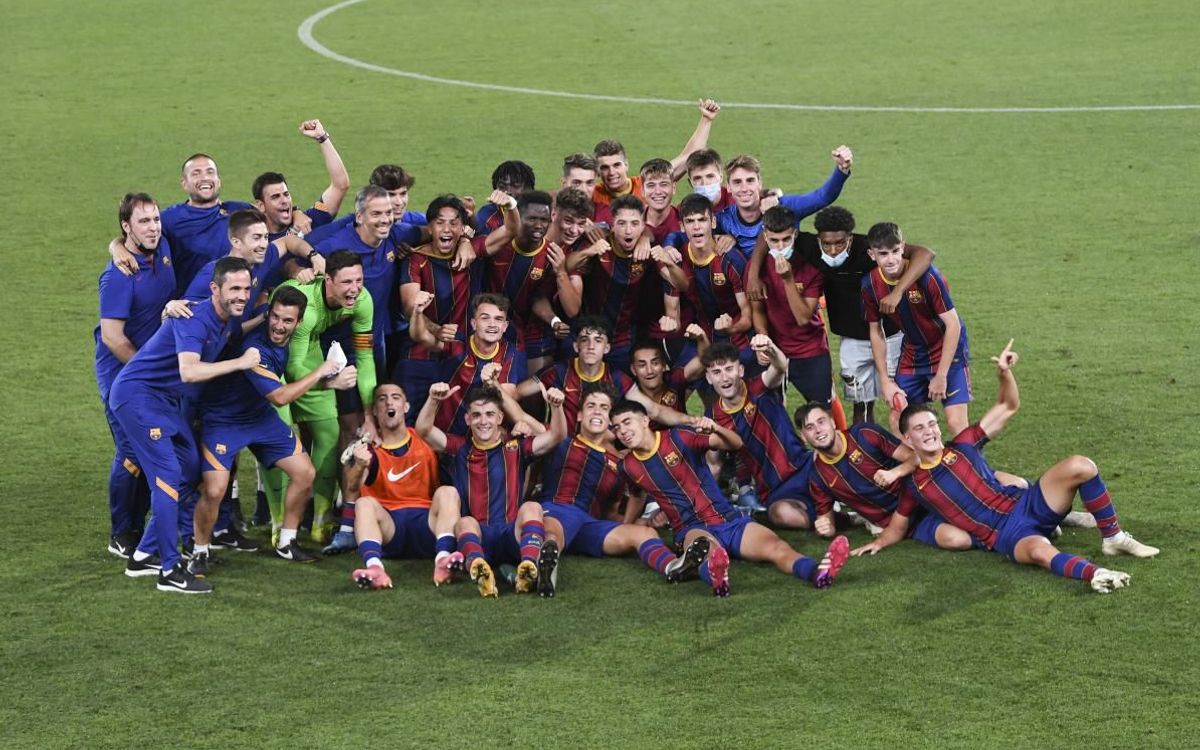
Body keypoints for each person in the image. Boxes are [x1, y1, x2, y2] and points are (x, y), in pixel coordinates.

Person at [854, 340, 1159, 594]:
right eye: (920, 429)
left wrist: (1004, 374)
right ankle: (1096, 573)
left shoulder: (964, 444)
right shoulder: (915, 485)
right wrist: (877, 543)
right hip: (1006, 535)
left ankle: (1113, 538)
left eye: (933, 424)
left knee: (1081, 465)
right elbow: (898, 527)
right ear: (908, 438)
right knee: (1040, 553)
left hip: (1027, 503)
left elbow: (1008, 406)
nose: (931, 431)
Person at [109, 256, 260, 594]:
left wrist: (267, 316)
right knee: (167, 476)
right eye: (234, 288)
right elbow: (189, 372)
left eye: (246, 288)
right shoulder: (195, 319)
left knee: (191, 471)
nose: (242, 295)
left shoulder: (226, 319)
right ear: (214, 289)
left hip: (164, 402)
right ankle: (169, 569)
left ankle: (144, 555)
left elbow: (238, 329)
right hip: (138, 397)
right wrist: (241, 363)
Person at [189, 287, 359, 576]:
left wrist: (330, 384)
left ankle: (287, 542)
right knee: (215, 489)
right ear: (268, 314)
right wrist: (322, 372)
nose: (279, 326)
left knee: (305, 473)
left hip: (259, 417)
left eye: (288, 321)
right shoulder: (255, 348)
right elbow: (280, 397)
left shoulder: (290, 341)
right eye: (275, 318)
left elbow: (289, 385)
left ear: (299, 321)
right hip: (223, 420)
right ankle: (199, 552)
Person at [610, 400, 850, 596]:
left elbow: (735, 443)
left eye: (626, 422)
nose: (622, 431)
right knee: (707, 553)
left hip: (729, 519)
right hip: (692, 528)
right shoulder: (628, 466)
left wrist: (715, 428)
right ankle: (718, 582)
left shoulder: (678, 437)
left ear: (644, 420)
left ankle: (816, 572)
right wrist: (629, 525)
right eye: (617, 427)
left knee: (776, 547)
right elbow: (637, 494)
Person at [538, 383, 711, 589]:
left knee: (644, 534)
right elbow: (531, 428)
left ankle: (673, 566)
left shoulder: (620, 464)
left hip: (586, 527)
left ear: (610, 421)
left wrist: (639, 522)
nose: (597, 411)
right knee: (556, 530)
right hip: (556, 513)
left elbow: (610, 513)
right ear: (579, 416)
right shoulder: (560, 439)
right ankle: (546, 567)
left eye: (604, 407)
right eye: (591, 406)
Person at [416, 384, 568, 598]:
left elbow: (557, 436)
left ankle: (529, 566)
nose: (483, 421)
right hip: (478, 536)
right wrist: (433, 400)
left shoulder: (516, 447)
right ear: (468, 420)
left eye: (489, 414)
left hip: (512, 535)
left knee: (533, 507)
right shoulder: (459, 448)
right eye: (476, 415)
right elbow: (423, 430)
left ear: (499, 418)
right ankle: (479, 566)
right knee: (464, 522)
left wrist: (557, 407)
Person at [275, 251, 378, 543]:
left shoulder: (363, 301)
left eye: (359, 280)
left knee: (331, 433)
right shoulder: (306, 308)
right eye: (346, 282)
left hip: (309, 353)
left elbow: (366, 359)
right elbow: (292, 368)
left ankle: (320, 519)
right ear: (328, 280)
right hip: (276, 360)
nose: (354, 288)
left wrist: (368, 416)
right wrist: (330, 383)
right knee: (282, 439)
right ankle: (277, 522)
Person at [800, 207, 934, 424]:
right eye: (827, 244)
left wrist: (898, 292)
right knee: (861, 405)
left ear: (850, 239)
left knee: (904, 400)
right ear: (818, 240)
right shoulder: (812, 248)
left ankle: (916, 452)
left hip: (891, 335)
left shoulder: (870, 249)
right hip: (852, 340)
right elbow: (770, 234)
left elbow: (925, 254)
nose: (833, 250)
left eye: (840, 243)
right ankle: (866, 452)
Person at [95, 193, 175, 558]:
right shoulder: (118, 275)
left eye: (155, 219)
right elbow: (113, 337)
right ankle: (122, 531)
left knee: (152, 449)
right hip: (123, 375)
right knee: (131, 450)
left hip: (152, 372)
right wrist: (146, 373)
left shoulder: (162, 247)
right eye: (143, 222)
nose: (153, 227)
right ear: (127, 227)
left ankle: (142, 524)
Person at [795, 401, 975, 550]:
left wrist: (894, 473)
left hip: (924, 493)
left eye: (821, 422)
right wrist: (824, 529)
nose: (818, 430)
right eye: (810, 427)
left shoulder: (864, 434)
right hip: (899, 523)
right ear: (803, 436)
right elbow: (826, 521)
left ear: (833, 422)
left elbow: (916, 456)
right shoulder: (817, 475)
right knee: (957, 540)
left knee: (981, 495)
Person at [346, 383, 464, 590]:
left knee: (448, 492)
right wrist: (359, 465)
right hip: (390, 527)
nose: (389, 402)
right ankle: (375, 568)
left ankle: (443, 560)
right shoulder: (369, 450)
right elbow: (353, 488)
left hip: (427, 524)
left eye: (395, 397)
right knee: (364, 503)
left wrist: (434, 399)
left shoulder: (424, 439)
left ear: (406, 406)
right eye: (382, 399)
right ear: (375, 410)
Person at [862, 222, 971, 435]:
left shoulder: (928, 277)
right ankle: (916, 468)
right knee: (898, 419)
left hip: (947, 348)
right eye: (883, 254)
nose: (891, 259)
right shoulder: (870, 285)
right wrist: (885, 380)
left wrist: (941, 375)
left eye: (895, 251)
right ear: (872, 254)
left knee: (956, 423)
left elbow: (953, 324)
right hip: (914, 350)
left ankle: (970, 468)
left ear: (903, 247)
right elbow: (875, 331)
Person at [703, 339, 823, 532]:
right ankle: (834, 515)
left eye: (729, 369)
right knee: (783, 515)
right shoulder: (713, 418)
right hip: (775, 489)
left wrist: (770, 348)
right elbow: (714, 465)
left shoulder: (758, 387)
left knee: (837, 461)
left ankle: (834, 510)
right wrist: (706, 508)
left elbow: (781, 366)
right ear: (708, 378)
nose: (724, 378)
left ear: (741, 370)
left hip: (806, 466)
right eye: (716, 372)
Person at [409, 292, 528, 436]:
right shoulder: (457, 344)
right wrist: (417, 312)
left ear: (505, 326)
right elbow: (420, 336)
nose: (492, 324)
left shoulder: (509, 353)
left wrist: (492, 381)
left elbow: (507, 398)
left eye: (498, 319)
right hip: (443, 433)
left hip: (481, 435)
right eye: (485, 318)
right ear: (473, 323)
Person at [749, 206, 834, 404]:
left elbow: (803, 317)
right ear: (765, 237)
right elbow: (757, 309)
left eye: (786, 240)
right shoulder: (757, 268)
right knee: (771, 413)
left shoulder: (812, 266)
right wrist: (763, 339)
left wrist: (788, 279)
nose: (780, 247)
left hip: (810, 350)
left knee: (821, 412)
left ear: (795, 234)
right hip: (775, 350)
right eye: (774, 240)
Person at [715, 146, 853, 266]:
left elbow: (822, 197)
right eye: (737, 182)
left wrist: (841, 169)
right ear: (728, 188)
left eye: (750, 181)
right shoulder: (723, 220)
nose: (744, 188)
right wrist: (722, 238)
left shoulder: (785, 207)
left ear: (759, 183)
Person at [590, 99, 721, 209]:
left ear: (626, 165)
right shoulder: (592, 194)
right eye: (605, 167)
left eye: (616, 165)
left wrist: (706, 120)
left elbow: (689, 157)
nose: (612, 172)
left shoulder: (650, 183)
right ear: (597, 171)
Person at [158, 153, 253, 294]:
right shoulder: (169, 219)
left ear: (218, 180)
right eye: (196, 173)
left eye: (210, 172)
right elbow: (135, 237)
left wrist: (297, 213)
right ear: (184, 183)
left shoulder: (241, 211)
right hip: (194, 306)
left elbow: (279, 219)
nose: (205, 178)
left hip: (239, 302)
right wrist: (117, 248)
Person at [513, 315, 632, 428]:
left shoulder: (617, 377)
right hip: (561, 444)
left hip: (601, 445)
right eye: (585, 340)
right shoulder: (558, 371)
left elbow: (646, 409)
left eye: (598, 340)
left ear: (607, 348)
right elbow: (516, 393)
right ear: (576, 346)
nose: (591, 346)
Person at [252, 119, 351, 242]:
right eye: (275, 197)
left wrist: (322, 138)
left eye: (286, 194)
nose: (284, 201)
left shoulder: (307, 223)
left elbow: (340, 185)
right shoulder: (254, 240)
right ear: (261, 205)